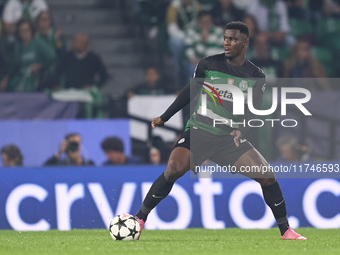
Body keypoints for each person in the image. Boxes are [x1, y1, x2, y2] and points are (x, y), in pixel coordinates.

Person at [134, 21, 307, 241]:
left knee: (268, 177)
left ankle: (286, 231)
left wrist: (241, 128)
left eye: (233, 39)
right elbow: (190, 92)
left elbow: (252, 110)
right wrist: (165, 117)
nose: (227, 42)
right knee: (173, 169)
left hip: (228, 139)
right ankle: (139, 220)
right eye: (225, 38)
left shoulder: (255, 75)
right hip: (199, 132)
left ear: (245, 43)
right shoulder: (208, 64)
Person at [7, 19, 56, 92]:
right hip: (21, 79)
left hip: (37, 79)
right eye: (22, 31)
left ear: (31, 31)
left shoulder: (38, 43)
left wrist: (40, 65)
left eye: (26, 30)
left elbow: (52, 56)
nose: (25, 33)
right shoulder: (17, 47)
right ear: (19, 33)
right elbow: (14, 67)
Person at [184, 11, 224, 82]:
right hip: (197, 63)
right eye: (203, 21)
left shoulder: (219, 32)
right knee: (192, 68)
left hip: (214, 63)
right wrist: (203, 40)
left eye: (208, 21)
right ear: (199, 22)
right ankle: (191, 91)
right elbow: (189, 52)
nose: (206, 24)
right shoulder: (191, 33)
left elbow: (222, 51)